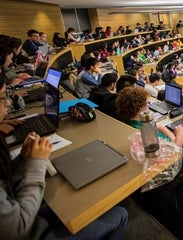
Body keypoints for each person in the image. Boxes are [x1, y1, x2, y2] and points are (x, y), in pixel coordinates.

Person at [0, 75, 128, 240]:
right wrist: (36, 162)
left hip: (22, 210)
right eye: (2, 97)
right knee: (119, 214)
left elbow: (6, 184)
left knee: (83, 200)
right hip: (29, 229)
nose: (8, 103)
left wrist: (22, 160)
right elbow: (17, 227)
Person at [115, 87, 183, 147]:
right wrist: (179, 133)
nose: (149, 106)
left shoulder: (128, 121)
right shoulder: (147, 134)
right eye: (148, 103)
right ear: (139, 107)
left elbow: (159, 127)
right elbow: (177, 147)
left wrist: (160, 127)